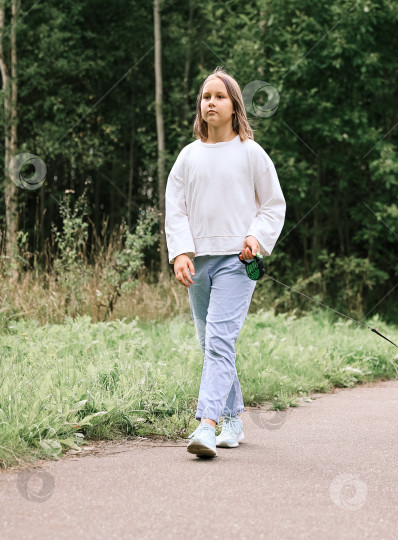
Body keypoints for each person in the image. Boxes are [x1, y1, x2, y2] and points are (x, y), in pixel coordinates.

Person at [165, 67, 286, 458]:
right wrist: (181, 251)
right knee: (210, 342)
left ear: (235, 106)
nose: (210, 102)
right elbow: (176, 211)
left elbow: (272, 206)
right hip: (198, 262)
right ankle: (233, 417)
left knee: (218, 340)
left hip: (241, 261)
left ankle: (207, 425)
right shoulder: (188, 156)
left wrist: (256, 237)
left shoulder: (251, 153)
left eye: (219, 96)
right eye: (205, 97)